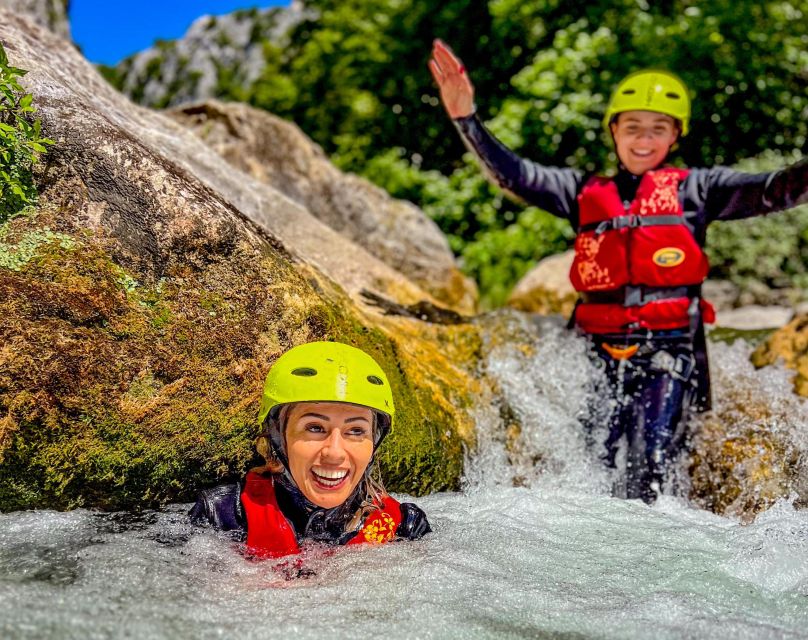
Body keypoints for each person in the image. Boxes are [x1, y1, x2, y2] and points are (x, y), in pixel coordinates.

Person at [429, 39, 808, 503]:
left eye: (657, 129)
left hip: (669, 354)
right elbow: (515, 175)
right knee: (592, 469)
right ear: (613, 131)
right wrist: (467, 119)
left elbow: (776, 189)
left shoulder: (698, 190)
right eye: (633, 128)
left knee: (648, 470)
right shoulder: (582, 190)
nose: (643, 140)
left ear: (675, 136)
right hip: (595, 351)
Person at [190, 341, 431, 558]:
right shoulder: (222, 515)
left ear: (374, 443)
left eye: (356, 431)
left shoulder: (404, 527)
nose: (334, 453)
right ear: (277, 437)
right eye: (315, 427)